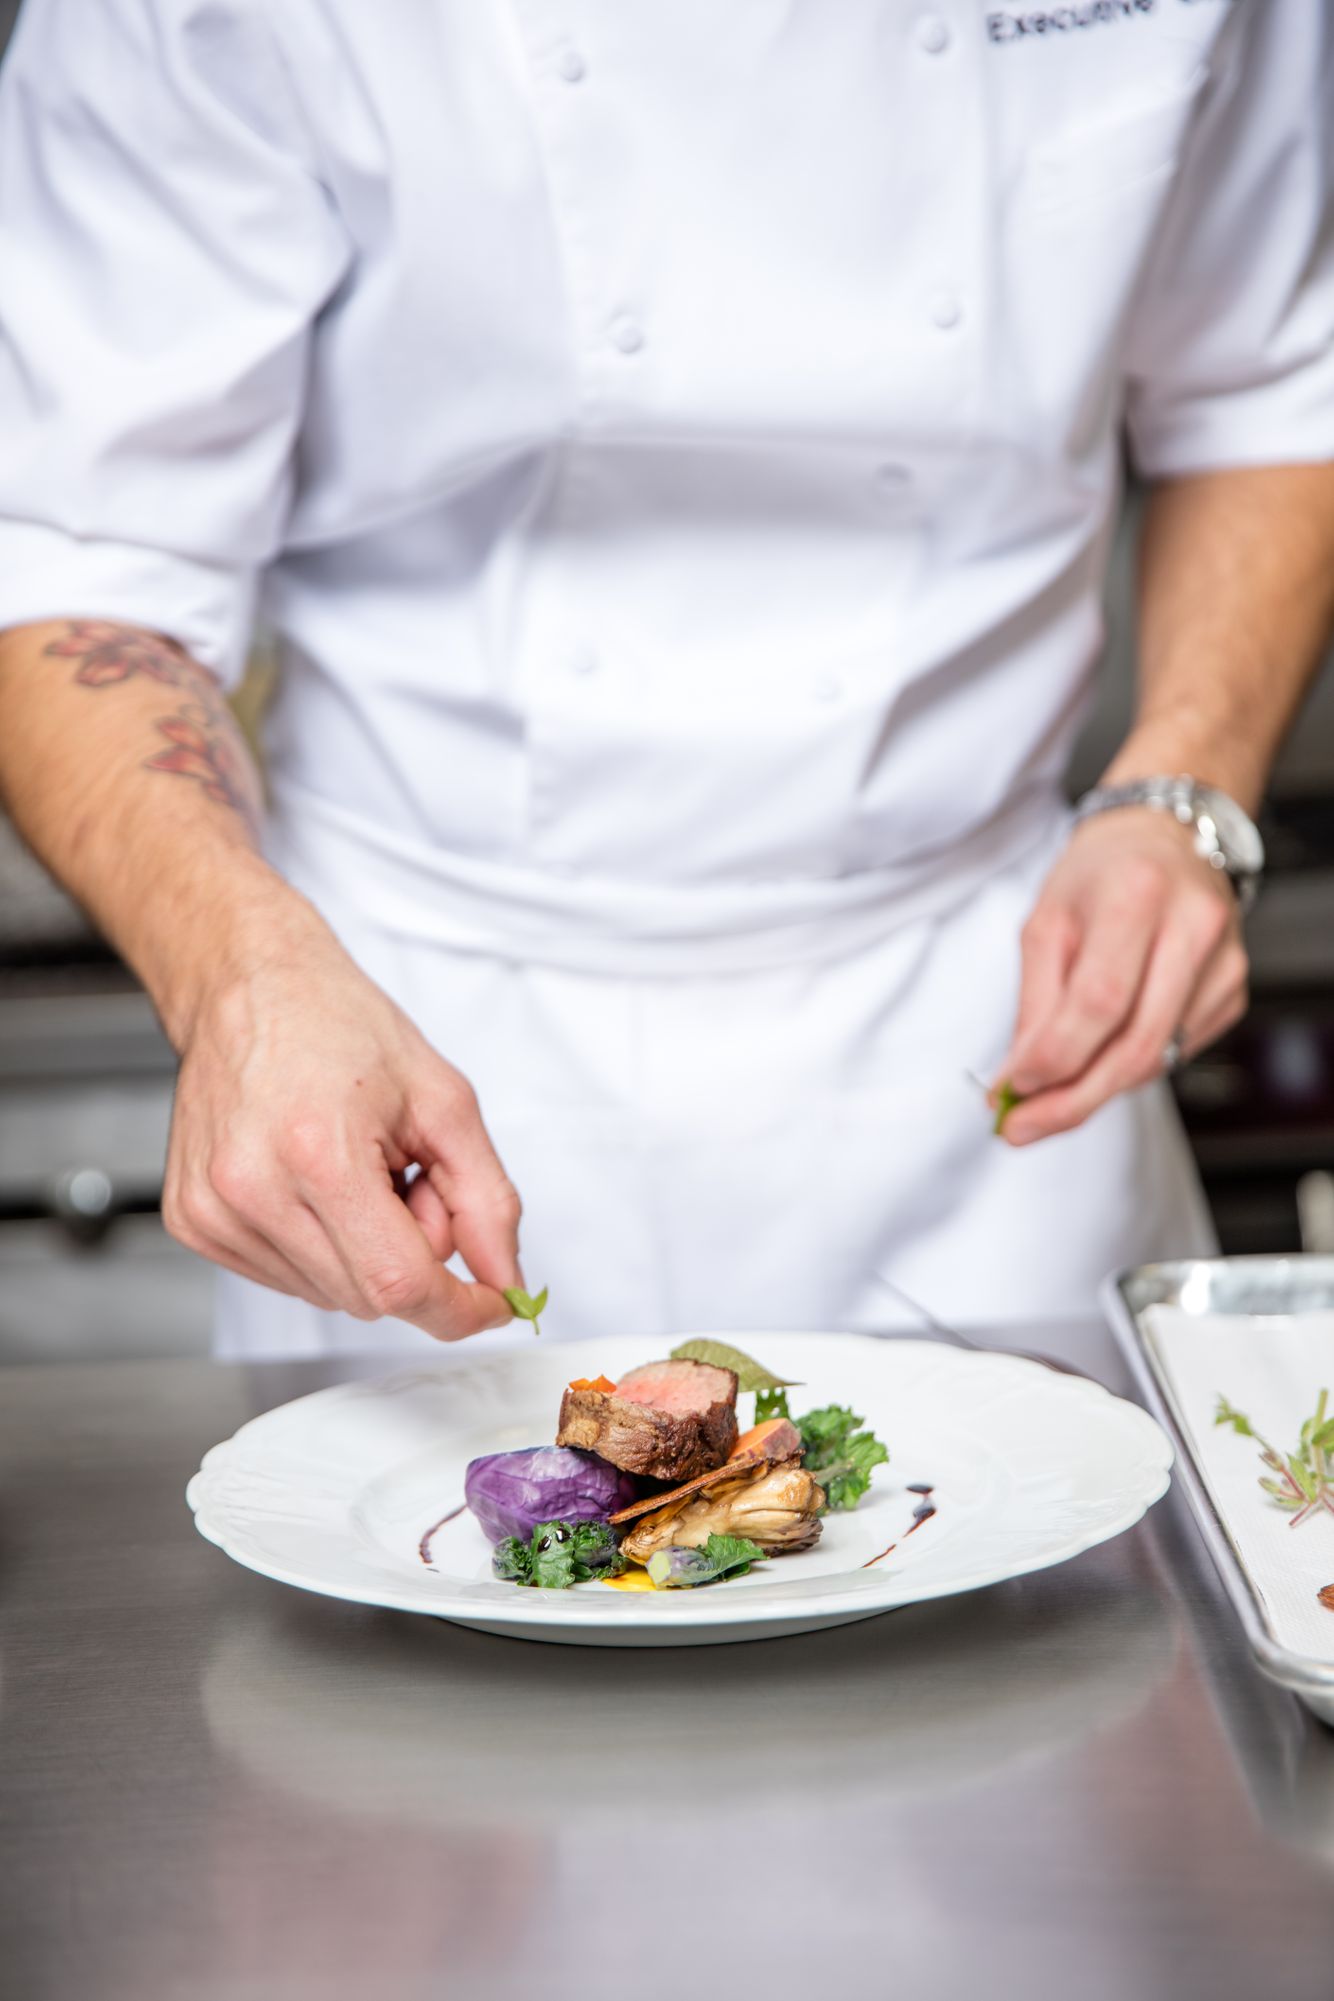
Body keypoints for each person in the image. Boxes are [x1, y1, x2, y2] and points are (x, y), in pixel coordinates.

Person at [0, 2, 1331, 1358]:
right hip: (419, 1047)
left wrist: (1183, 787)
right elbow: (82, 561)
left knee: (1084, 1561)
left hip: (995, 1025)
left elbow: (1262, 387)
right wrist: (237, 971)